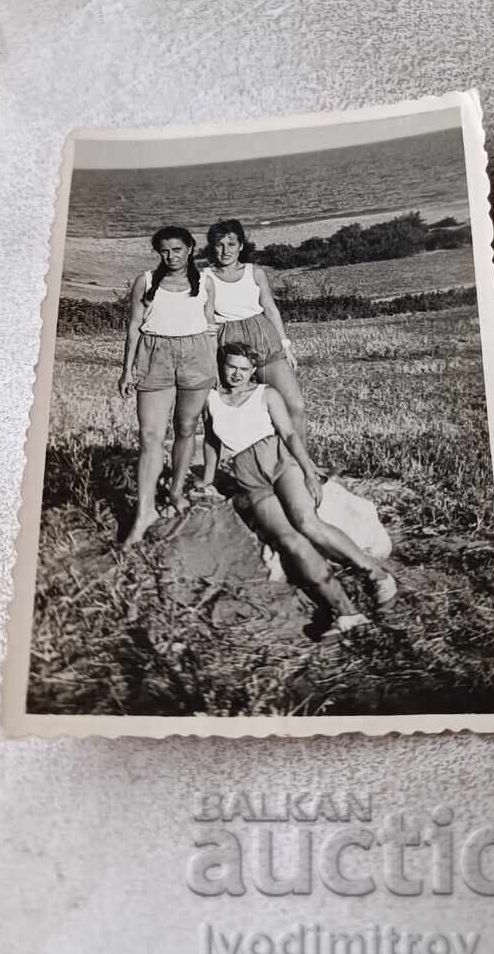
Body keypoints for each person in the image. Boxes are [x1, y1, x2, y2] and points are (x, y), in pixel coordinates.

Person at [200, 342, 397, 639]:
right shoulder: (211, 399)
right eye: (232, 367)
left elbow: (290, 433)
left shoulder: (266, 394)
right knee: (288, 540)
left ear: (253, 370)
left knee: (307, 523)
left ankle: (378, 575)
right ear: (222, 364)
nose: (237, 374)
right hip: (249, 477)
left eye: (244, 368)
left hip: (281, 463)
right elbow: (212, 442)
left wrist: (308, 471)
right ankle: (347, 612)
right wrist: (207, 479)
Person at [119, 225, 217, 544]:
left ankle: (175, 491)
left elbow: (211, 326)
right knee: (150, 436)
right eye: (164, 250)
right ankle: (145, 511)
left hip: (196, 356)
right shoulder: (145, 282)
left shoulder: (206, 282)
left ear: (190, 248)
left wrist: (214, 366)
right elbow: (134, 327)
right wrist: (127, 370)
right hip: (154, 356)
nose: (171, 256)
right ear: (157, 252)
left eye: (177, 249)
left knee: (187, 427)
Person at [204, 218, 308, 443]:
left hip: (264, 339)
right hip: (229, 346)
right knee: (236, 412)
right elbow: (208, 323)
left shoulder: (255, 272)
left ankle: (300, 464)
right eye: (219, 244)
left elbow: (271, 309)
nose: (225, 251)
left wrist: (286, 346)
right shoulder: (206, 277)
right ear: (212, 246)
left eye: (231, 244)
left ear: (241, 246)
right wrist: (212, 363)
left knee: (295, 405)